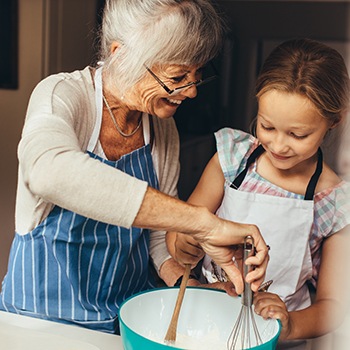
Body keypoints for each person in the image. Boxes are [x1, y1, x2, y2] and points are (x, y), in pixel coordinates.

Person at [0, 0, 269, 335]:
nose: (192, 91)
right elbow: (47, 171)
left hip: (122, 320)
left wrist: (189, 285)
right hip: (38, 323)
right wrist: (203, 223)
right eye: (178, 76)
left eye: (197, 75)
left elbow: (156, 239)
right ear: (121, 54)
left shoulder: (161, 128)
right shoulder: (63, 96)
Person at [166, 38, 350, 346]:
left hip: (278, 342)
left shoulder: (334, 202)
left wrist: (289, 325)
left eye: (298, 134)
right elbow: (181, 234)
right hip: (205, 326)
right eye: (267, 127)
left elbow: (333, 306)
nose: (278, 145)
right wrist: (184, 244)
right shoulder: (231, 159)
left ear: (333, 121)